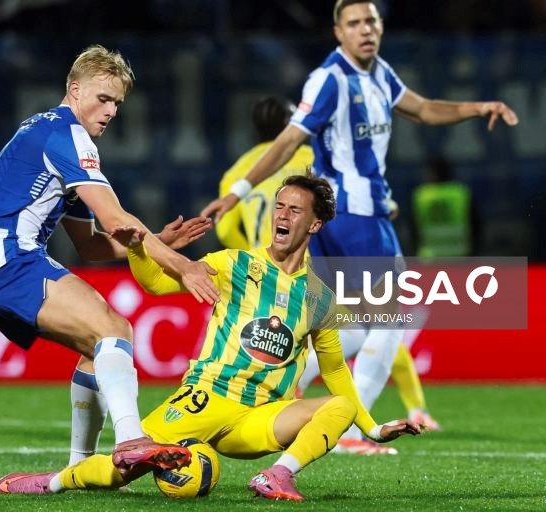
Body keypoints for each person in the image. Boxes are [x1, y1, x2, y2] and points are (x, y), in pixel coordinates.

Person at [201, 0, 517, 454]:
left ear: (381, 25)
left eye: (370, 20)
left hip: (353, 215)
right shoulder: (329, 79)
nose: (365, 29)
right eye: (354, 23)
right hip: (353, 216)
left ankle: (275, 387)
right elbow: (290, 137)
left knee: (347, 323)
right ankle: (350, 430)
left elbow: (425, 109)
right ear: (338, 32)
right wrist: (237, 193)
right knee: (392, 319)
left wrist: (477, 106)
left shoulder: (380, 74)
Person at [0, 175, 421, 501]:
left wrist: (373, 428)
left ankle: (278, 474)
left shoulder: (320, 300)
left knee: (340, 404)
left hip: (258, 419)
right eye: (280, 206)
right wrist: (144, 247)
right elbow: (157, 285)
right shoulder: (235, 265)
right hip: (204, 399)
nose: (282, 216)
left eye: (295, 210)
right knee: (122, 468)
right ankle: (50, 482)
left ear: (315, 224)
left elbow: (335, 372)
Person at [0, 44, 220, 476]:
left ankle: (77, 471)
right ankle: (132, 439)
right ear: (75, 90)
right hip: (8, 258)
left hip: (2, 262)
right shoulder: (68, 136)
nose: (112, 111)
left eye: (118, 103)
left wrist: (151, 240)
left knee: (99, 351)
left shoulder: (52, 134)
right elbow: (115, 217)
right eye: (104, 98)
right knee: (115, 329)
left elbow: (94, 246)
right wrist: (182, 264)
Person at [216, 96, 313, 250]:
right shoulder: (312, 158)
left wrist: (253, 256)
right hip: (309, 263)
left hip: (264, 268)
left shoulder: (237, 171)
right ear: (290, 124)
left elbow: (225, 232)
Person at [412, 157, 475, 257]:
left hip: (430, 258)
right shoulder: (460, 193)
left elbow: (414, 230)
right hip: (459, 256)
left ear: (433, 173)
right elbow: (475, 225)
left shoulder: (422, 195)